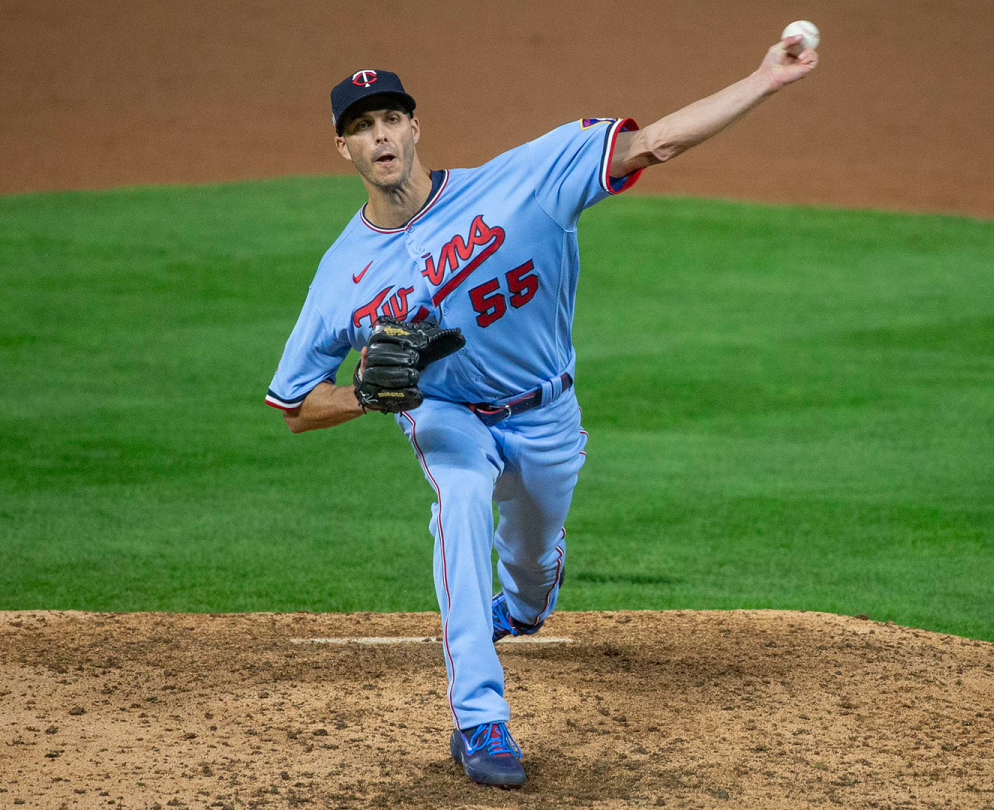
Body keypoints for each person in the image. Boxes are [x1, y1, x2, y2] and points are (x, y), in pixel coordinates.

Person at [265, 36, 818, 788]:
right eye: (363, 127)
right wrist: (364, 395)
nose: (381, 135)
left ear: (415, 128)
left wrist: (764, 79)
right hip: (448, 415)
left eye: (391, 117)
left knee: (529, 562)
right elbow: (296, 406)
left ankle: (526, 601)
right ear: (345, 149)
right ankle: (479, 718)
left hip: (548, 412)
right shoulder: (341, 276)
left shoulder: (525, 181)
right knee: (457, 503)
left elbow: (655, 143)